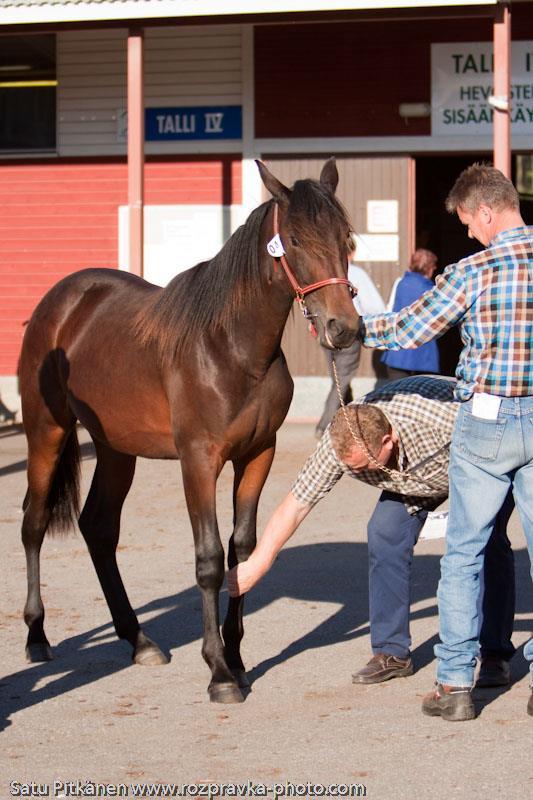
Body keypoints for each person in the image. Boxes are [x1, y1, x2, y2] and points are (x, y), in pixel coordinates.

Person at [359, 163, 533, 721]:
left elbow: (413, 327)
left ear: (486, 210)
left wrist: (357, 327)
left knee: (464, 554)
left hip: (485, 420)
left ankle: (455, 685)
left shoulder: (474, 269)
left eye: (467, 222)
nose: (468, 233)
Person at [228, 375, 516, 686]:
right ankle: (391, 651)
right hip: (412, 480)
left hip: (479, 463)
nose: (358, 474)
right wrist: (257, 564)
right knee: (384, 532)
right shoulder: (339, 442)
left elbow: (501, 438)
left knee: (488, 542)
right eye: (352, 469)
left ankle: (494, 653)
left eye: (365, 467)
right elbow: (296, 503)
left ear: (388, 440)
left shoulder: (441, 418)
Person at [315, 261, 385, 439]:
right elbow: (374, 306)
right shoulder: (356, 273)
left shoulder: (324, 272)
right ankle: (324, 425)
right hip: (348, 333)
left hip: (327, 331)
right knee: (342, 380)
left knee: (338, 380)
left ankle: (348, 419)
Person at [381, 249, 440, 379]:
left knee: (397, 394)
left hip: (398, 350)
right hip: (423, 353)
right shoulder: (432, 290)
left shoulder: (400, 283)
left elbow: (389, 311)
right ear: (430, 268)